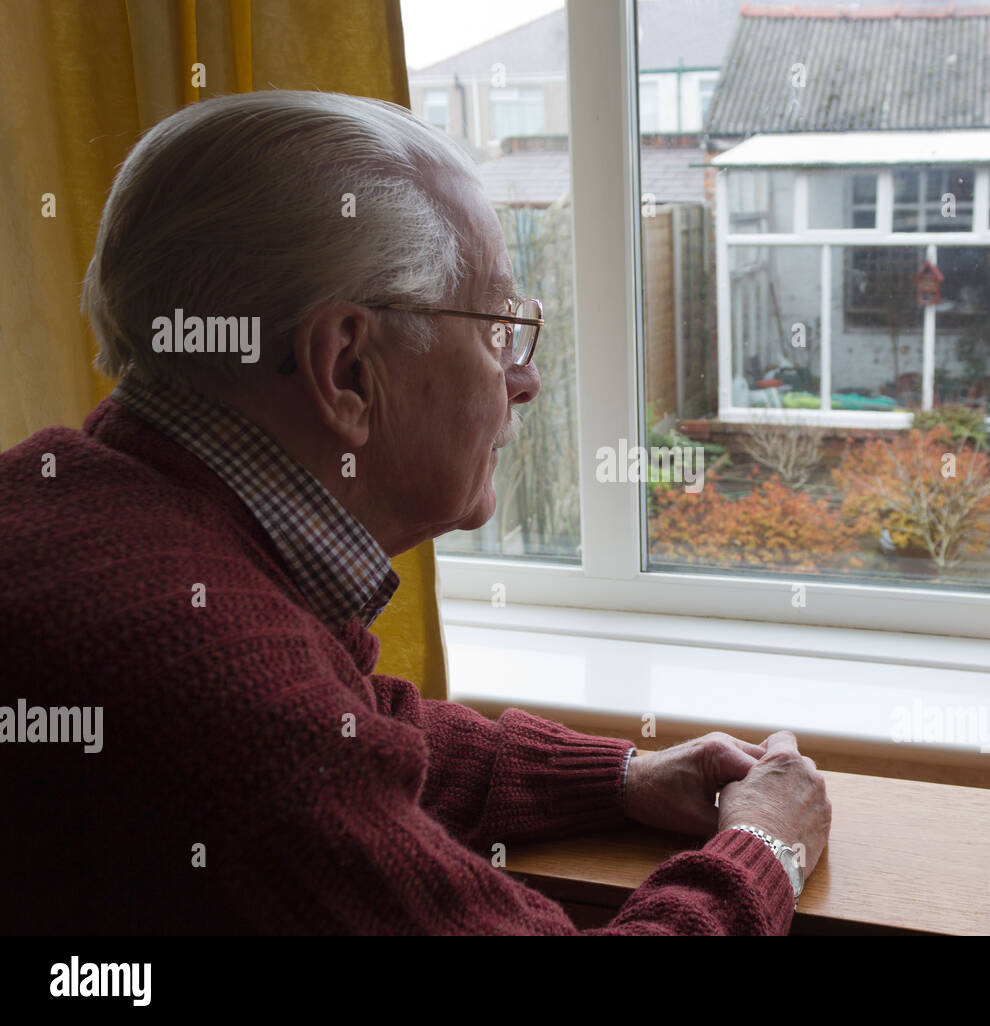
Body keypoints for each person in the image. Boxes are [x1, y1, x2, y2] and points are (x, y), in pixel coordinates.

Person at [0, 91, 831, 935]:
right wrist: (765, 847)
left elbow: (354, 722)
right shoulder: (234, 712)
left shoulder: (70, 496)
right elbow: (292, 737)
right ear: (350, 368)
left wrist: (619, 777)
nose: (526, 378)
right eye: (497, 327)